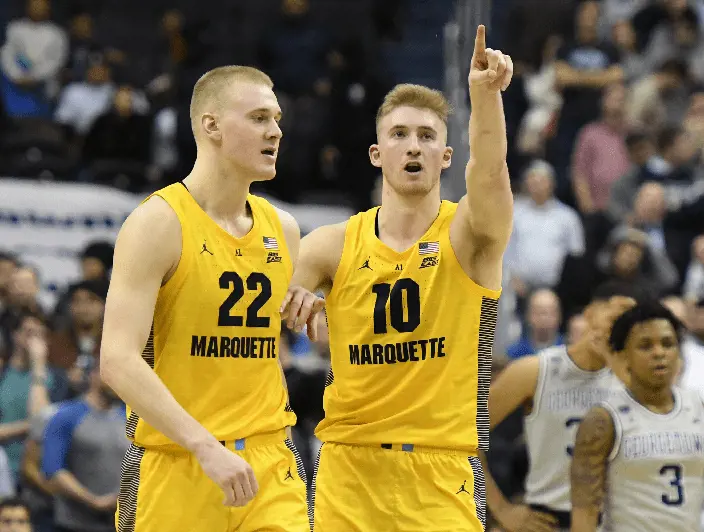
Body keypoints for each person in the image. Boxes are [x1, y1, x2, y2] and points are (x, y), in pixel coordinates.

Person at [282, 25, 514, 531]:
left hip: (440, 467)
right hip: (349, 465)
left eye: (428, 137)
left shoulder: (470, 234)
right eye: (400, 135)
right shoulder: (330, 244)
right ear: (376, 153)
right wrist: (298, 299)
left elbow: (492, 174)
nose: (414, 146)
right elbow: (281, 297)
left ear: (446, 158)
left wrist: (485, 97)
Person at [99, 66, 322, 532]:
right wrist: (204, 445)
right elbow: (118, 361)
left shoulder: (283, 229)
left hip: (268, 459)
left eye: (277, 118)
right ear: (211, 125)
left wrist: (315, 310)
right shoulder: (157, 223)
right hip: (179, 460)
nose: (276, 131)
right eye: (259, 118)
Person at [569, 301, 704, 532]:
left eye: (667, 344)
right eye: (645, 346)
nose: (659, 353)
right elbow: (585, 511)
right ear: (624, 357)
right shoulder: (603, 421)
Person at [484, 295, 634, 532]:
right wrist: (501, 509)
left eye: (625, 327)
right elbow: (465, 434)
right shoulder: (534, 370)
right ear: (590, 314)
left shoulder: (630, 384)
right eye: (612, 318)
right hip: (548, 519)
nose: (612, 330)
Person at [40, 365, 128, 532]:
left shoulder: (129, 417)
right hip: (75, 524)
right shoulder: (67, 415)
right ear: (95, 375)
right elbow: (52, 470)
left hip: (119, 523)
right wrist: (93, 500)